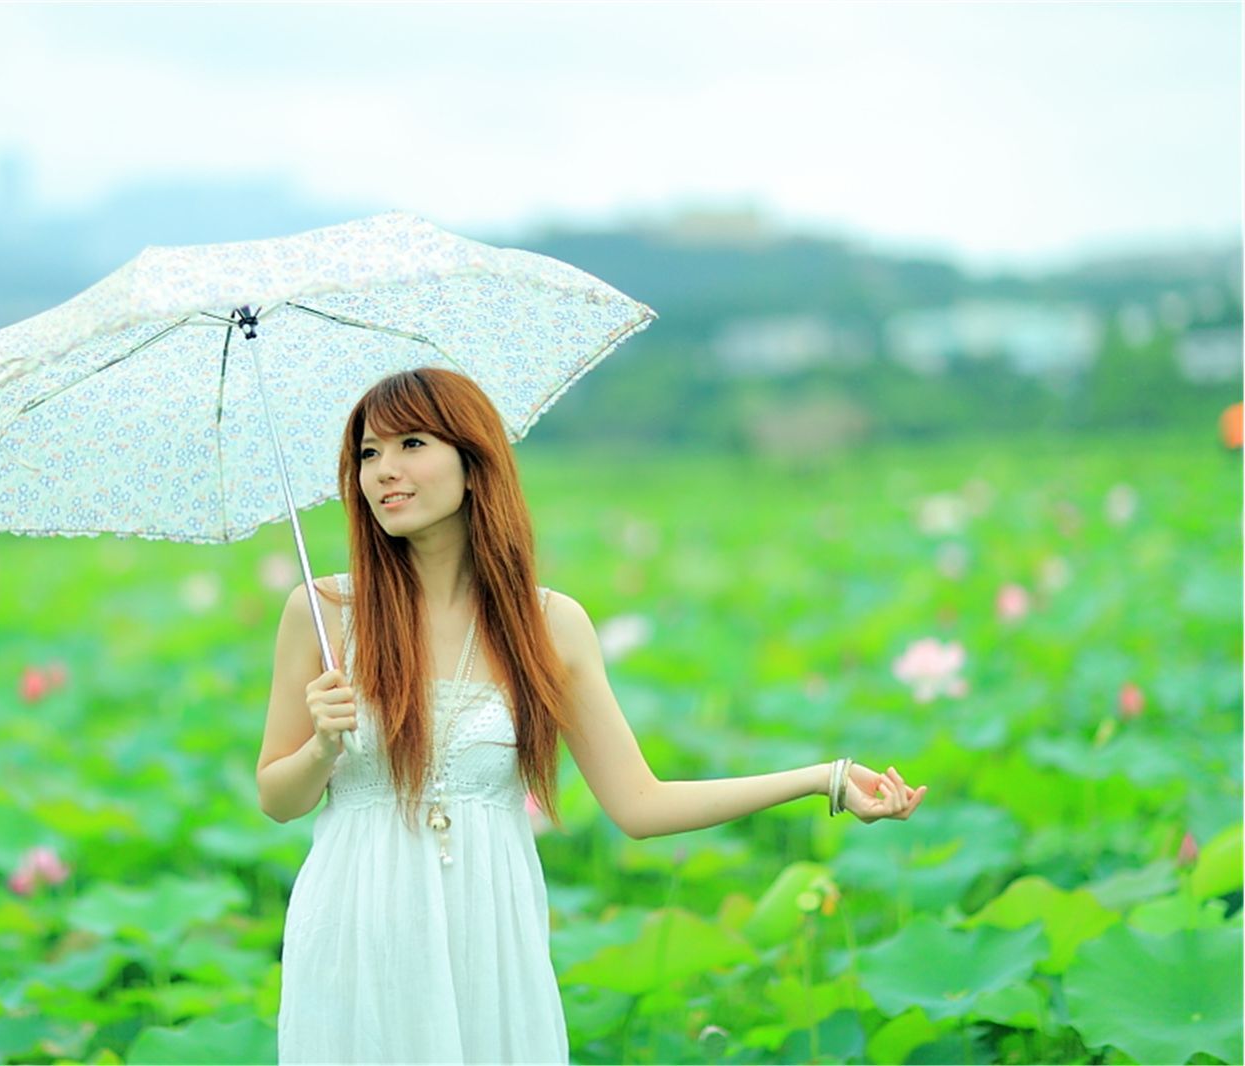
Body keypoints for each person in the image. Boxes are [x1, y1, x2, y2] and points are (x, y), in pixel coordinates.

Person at [256, 367, 927, 1064]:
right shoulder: (324, 614)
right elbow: (277, 798)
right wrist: (322, 749)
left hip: (489, 931)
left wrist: (826, 778)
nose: (384, 471)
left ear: (473, 460)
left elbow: (641, 805)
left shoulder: (548, 625)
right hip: (356, 926)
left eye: (412, 444)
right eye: (368, 454)